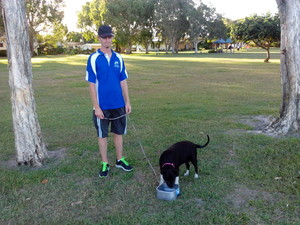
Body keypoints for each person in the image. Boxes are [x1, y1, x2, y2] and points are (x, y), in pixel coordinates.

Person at [86, 25, 133, 178]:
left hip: (118, 104)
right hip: (102, 106)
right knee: (102, 135)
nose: (107, 39)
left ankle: (120, 160)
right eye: (104, 37)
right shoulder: (93, 58)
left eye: (109, 37)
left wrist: (127, 102)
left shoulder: (118, 57)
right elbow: (91, 84)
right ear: (99, 38)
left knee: (118, 133)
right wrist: (96, 107)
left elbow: (123, 81)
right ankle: (105, 163)